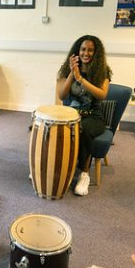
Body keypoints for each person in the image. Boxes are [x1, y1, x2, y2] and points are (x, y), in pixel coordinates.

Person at [56, 35, 112, 196]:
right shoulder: (70, 69)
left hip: (93, 116)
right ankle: (55, 165)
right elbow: (61, 96)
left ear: (96, 53)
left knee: (84, 129)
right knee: (52, 126)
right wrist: (73, 74)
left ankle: (84, 174)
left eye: (90, 50)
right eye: (83, 49)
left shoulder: (103, 71)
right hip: (71, 114)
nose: (86, 53)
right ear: (77, 51)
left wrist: (81, 78)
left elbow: (102, 95)